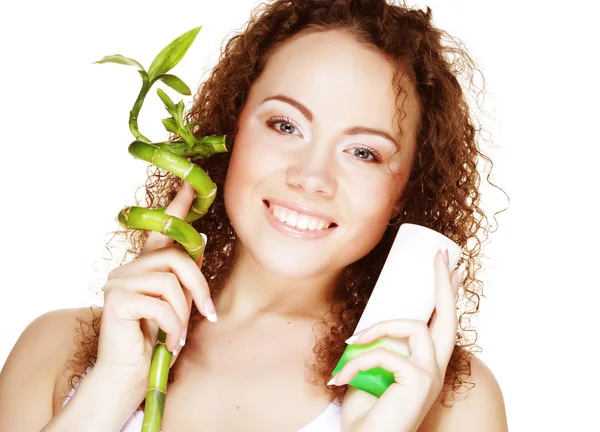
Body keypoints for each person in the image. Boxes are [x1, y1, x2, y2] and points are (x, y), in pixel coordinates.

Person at [0, 0, 509, 430]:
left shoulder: (448, 399)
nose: (312, 177)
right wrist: (110, 389)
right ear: (231, 130)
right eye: (285, 125)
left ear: (404, 191)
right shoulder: (56, 349)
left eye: (364, 152)